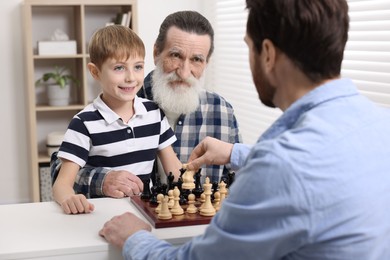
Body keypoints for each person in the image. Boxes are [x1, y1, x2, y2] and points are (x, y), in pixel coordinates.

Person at [99, 0, 390, 259]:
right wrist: (238, 153)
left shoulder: (280, 164)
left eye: (249, 46)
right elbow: (320, 163)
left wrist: (135, 240)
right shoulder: (381, 124)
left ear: (267, 54)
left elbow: (288, 170)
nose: (185, 70)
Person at [50, 10, 242, 199]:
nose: (184, 72)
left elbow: (245, 180)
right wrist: (102, 179)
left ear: (206, 63)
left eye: (196, 59)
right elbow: (58, 172)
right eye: (176, 55)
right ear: (156, 53)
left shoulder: (222, 111)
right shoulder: (119, 99)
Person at [52, 25, 182, 214]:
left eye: (138, 67)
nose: (131, 77)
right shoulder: (83, 123)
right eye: (119, 68)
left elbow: (175, 170)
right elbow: (61, 185)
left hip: (147, 213)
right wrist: (70, 198)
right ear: (95, 72)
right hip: (102, 216)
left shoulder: (154, 113)